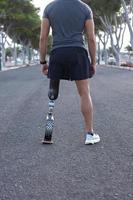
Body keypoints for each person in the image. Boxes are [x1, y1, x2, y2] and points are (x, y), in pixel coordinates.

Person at [39, 0, 100, 145]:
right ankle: (89, 134)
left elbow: (42, 38)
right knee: (85, 93)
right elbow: (91, 39)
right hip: (78, 53)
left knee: (53, 94)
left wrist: (43, 62)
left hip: (57, 53)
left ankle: (48, 135)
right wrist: (93, 62)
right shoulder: (85, 8)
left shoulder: (50, 7)